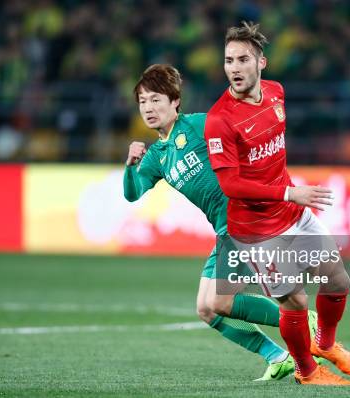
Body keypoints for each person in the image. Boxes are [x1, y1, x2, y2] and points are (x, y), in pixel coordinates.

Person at [123, 64, 321, 381]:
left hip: (243, 221)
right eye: (143, 101)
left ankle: (302, 318)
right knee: (206, 309)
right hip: (223, 230)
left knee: (219, 301)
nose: (148, 107)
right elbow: (132, 194)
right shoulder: (157, 156)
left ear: (175, 101)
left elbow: (243, 140)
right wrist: (130, 165)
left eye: (156, 99)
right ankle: (278, 356)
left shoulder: (201, 125)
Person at [204, 21, 350, 386]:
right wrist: (288, 192)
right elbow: (230, 184)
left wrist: (289, 196)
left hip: (293, 213)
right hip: (258, 232)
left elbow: (269, 158)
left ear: (262, 62)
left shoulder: (277, 93)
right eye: (228, 60)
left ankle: (325, 344)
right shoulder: (220, 120)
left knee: (337, 278)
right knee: (294, 303)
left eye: (243, 59)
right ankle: (306, 371)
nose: (234, 68)